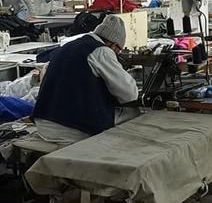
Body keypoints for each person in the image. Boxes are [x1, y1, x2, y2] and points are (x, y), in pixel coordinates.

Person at [32, 16, 138, 144]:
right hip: (70, 129)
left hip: (43, 123)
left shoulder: (68, 46)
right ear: (113, 44)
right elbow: (130, 94)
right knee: (132, 112)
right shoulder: (102, 51)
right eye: (118, 50)